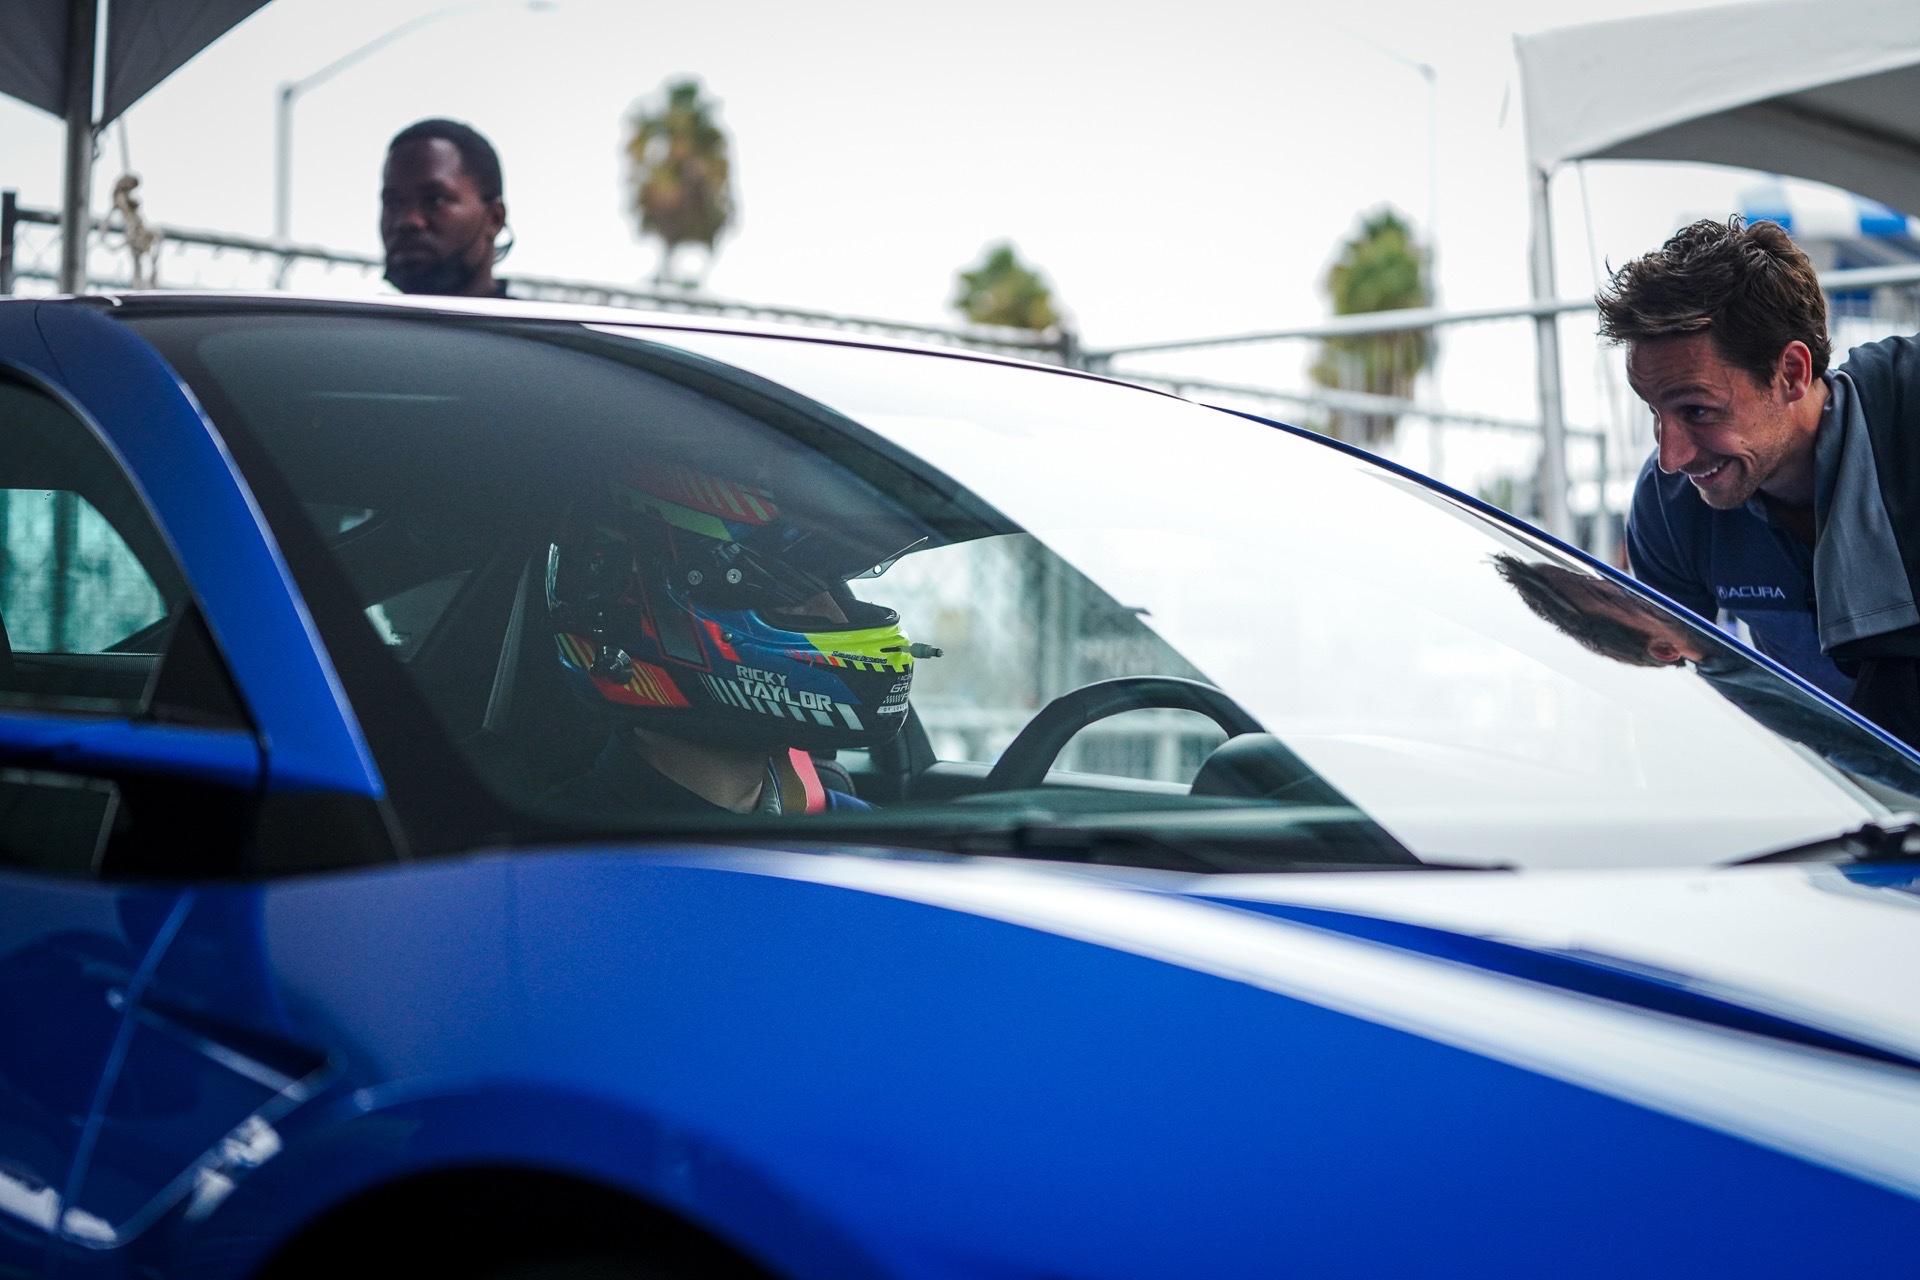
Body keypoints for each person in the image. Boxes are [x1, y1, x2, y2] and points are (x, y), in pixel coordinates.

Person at [1602, 216, 1920, 749]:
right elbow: (1664, 712)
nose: (1671, 457)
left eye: (1698, 410)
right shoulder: (1671, 507)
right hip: (1835, 797)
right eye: (1655, 413)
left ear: (1792, 373)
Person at [539, 461, 929, 818]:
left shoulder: (850, 828)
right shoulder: (556, 849)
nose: (837, 615)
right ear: (654, 609)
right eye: (790, 594)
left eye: (832, 589)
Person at [380, 118, 512, 298]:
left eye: (435, 200)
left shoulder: (537, 324)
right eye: (392, 203)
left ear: (494, 218)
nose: (408, 220)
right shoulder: (351, 324)